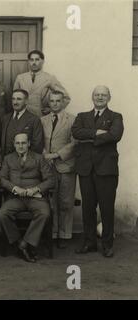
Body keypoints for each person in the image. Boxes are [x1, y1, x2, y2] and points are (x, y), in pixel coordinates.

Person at [72, 85, 124, 258]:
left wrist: (90, 139)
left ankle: (107, 245)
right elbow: (76, 132)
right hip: (86, 169)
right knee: (88, 208)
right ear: (92, 97)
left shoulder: (116, 116)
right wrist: (97, 132)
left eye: (103, 95)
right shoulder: (82, 116)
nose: (100, 97)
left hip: (106, 170)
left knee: (107, 208)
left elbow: (115, 135)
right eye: (97, 95)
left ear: (109, 97)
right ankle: (90, 243)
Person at [0, 133, 55, 263]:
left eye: (23, 143)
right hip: (15, 197)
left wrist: (36, 189)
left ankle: (26, 243)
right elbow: (2, 179)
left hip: (35, 197)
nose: (20, 146)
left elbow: (51, 179)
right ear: (14, 144)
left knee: (45, 213)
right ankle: (19, 242)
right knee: (2, 214)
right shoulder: (8, 159)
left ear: (28, 143)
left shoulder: (39, 158)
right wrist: (14, 188)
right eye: (18, 143)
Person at [41, 91, 76, 248]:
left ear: (63, 102)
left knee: (65, 202)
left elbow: (75, 143)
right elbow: (38, 140)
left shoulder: (72, 120)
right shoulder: (42, 120)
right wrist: (45, 155)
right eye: (52, 101)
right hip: (48, 167)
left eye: (57, 101)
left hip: (65, 166)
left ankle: (64, 234)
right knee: (51, 202)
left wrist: (56, 155)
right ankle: (53, 233)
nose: (54, 104)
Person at [13, 49, 70, 117]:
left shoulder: (49, 78)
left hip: (41, 116)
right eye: (31, 60)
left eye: (37, 59)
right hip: (24, 116)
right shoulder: (20, 78)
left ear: (42, 61)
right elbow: (14, 98)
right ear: (28, 61)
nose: (34, 62)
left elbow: (66, 98)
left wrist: (52, 109)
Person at [1, 89, 43, 157]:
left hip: (23, 163)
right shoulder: (5, 118)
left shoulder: (34, 120)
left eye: (19, 99)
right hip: (5, 162)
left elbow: (37, 146)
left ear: (26, 101)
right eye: (13, 99)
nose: (15, 102)